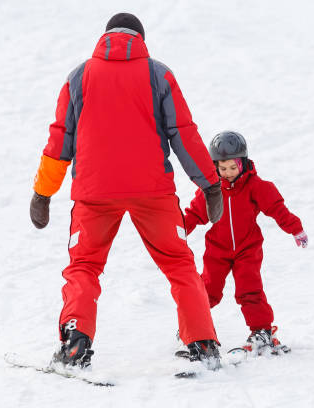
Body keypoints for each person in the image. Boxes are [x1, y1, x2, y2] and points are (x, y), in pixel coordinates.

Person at [29, 13, 224, 370]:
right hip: (152, 190)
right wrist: (210, 184)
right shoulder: (158, 74)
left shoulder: (79, 76)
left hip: (94, 192)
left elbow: (60, 139)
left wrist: (43, 193)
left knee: (84, 266)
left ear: (105, 37)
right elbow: (184, 132)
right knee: (179, 263)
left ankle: (75, 343)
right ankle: (204, 344)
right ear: (141, 39)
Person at [183, 131, 308, 355]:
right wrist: (177, 232)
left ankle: (262, 332)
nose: (228, 173)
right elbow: (194, 215)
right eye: (223, 168)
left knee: (249, 289)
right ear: (215, 166)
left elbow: (277, 208)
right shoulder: (211, 191)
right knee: (207, 290)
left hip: (247, 249)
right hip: (217, 250)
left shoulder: (256, 186)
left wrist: (295, 228)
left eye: (233, 167)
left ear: (243, 163)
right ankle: (193, 328)